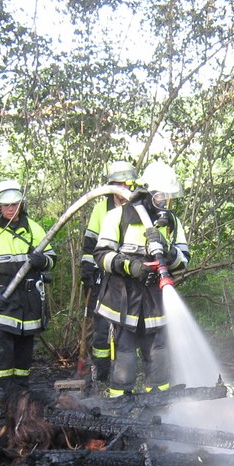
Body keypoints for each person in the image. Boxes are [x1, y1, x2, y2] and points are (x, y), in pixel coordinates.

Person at [93, 160, 189, 397]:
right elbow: (101, 255)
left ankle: (159, 401)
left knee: (158, 351)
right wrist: (130, 266)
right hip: (124, 298)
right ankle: (119, 401)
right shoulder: (118, 216)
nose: (165, 202)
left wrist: (167, 248)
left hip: (156, 297)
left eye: (168, 197)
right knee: (124, 351)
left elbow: (183, 260)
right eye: (160, 196)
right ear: (147, 191)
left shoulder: (172, 223)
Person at [0, 179, 55, 411]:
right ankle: (2, 396)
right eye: (6, 205)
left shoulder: (34, 228)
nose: (10, 209)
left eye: (14, 204)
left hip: (30, 304)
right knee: (1, 350)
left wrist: (42, 261)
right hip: (2, 303)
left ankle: (21, 397)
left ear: (21, 203)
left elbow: (52, 259)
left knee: (24, 354)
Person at [80, 160, 137, 390]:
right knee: (102, 327)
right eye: (117, 184)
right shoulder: (100, 209)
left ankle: (127, 375)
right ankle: (101, 374)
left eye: (126, 184)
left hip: (130, 278)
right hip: (103, 277)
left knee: (129, 328)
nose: (121, 190)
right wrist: (87, 271)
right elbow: (90, 244)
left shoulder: (139, 208)